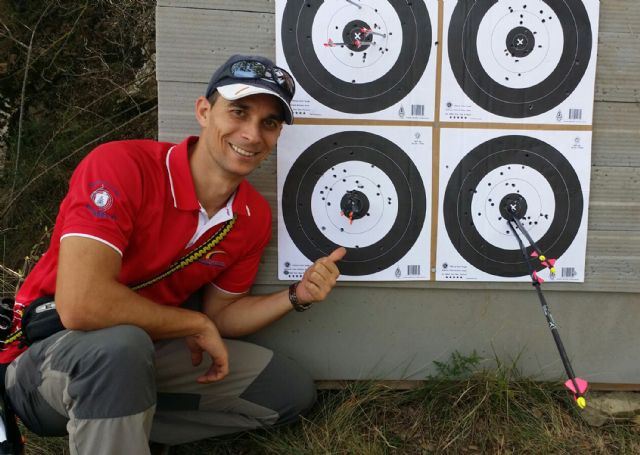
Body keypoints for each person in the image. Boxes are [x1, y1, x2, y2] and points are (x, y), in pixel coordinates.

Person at [0, 54, 346, 454]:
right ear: (204, 111)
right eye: (239, 111)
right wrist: (193, 324)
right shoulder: (122, 166)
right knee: (120, 348)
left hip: (142, 349)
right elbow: (82, 305)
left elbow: (222, 317)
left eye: (269, 122)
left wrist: (295, 297)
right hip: (43, 361)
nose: (252, 134)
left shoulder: (251, 215)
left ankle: (126, 422)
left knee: (286, 390)